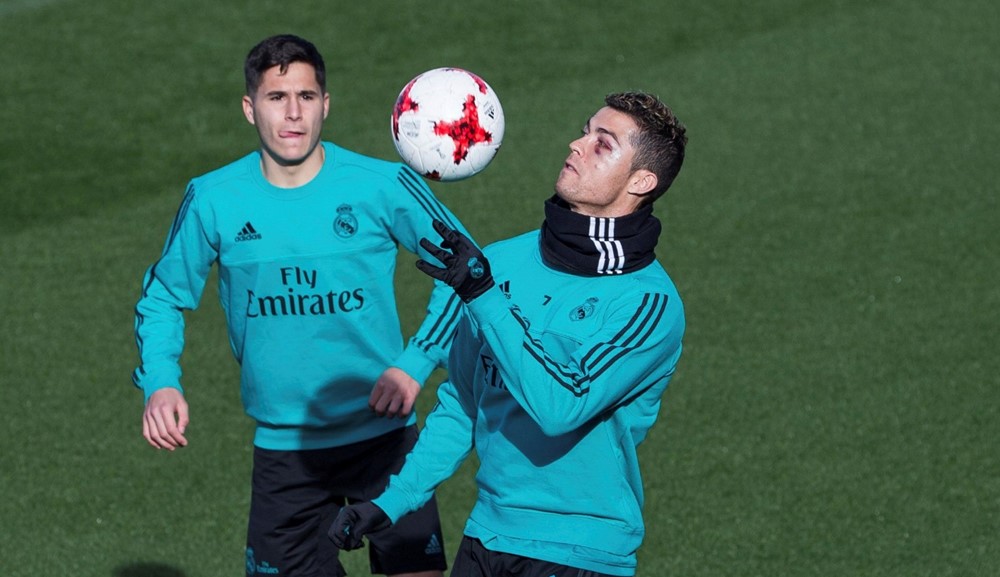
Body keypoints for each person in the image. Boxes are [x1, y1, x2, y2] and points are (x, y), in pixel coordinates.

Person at [132, 34, 462, 577]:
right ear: (249, 108)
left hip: (388, 444)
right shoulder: (213, 197)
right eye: (276, 97)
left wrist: (414, 363)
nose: (293, 114)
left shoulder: (384, 185)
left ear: (325, 105)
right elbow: (163, 295)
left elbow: (466, 273)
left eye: (306, 97)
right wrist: (161, 380)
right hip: (286, 456)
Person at [329, 92, 688, 576]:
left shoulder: (646, 303)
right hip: (486, 538)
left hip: (575, 554)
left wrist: (483, 295)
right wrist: (393, 502)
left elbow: (561, 406)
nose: (576, 144)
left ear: (642, 181)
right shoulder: (503, 261)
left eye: (602, 144)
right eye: (584, 130)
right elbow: (463, 400)